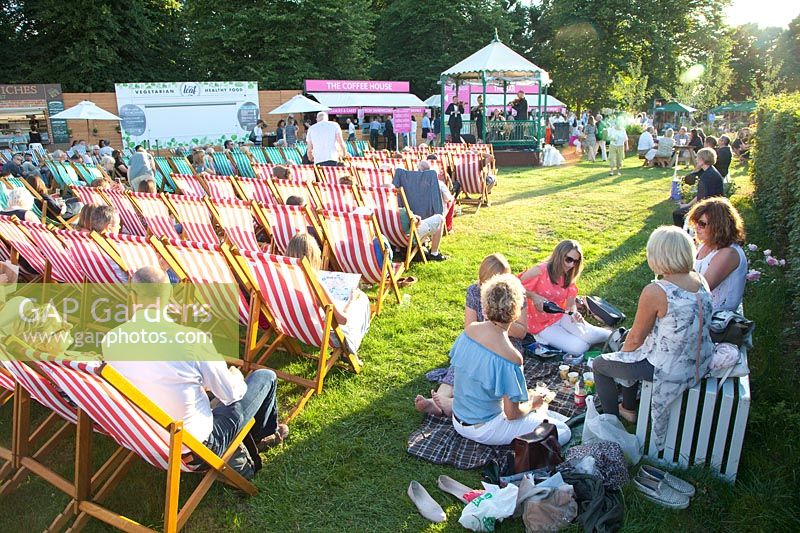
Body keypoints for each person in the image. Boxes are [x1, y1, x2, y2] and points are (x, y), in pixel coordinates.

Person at [106, 266, 287, 475]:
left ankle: (251, 440)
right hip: (195, 448)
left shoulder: (112, 339)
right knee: (265, 377)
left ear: (132, 295)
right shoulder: (190, 340)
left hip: (148, 438)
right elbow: (230, 395)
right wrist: (235, 377)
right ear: (169, 295)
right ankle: (261, 437)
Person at [591, 226, 713, 449]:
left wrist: (621, 361)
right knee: (628, 352)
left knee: (601, 364)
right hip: (700, 359)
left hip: (670, 368)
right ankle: (628, 409)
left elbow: (636, 339)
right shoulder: (699, 280)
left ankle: (611, 426)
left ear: (658, 255)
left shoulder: (657, 290)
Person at [450, 274, 572, 446]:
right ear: (516, 312)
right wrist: (532, 403)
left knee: (544, 416)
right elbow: (512, 414)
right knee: (564, 431)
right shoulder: (511, 357)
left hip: (458, 419)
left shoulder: (469, 331)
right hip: (485, 428)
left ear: (485, 306)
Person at [414, 254, 528, 417]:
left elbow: (522, 332)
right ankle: (439, 400)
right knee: (461, 366)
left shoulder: (516, 295)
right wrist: (487, 329)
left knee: (484, 372)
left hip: (505, 342)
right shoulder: (474, 291)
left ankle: (453, 404)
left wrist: (499, 321)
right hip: (479, 338)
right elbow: (469, 326)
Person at [519, 240, 611, 354]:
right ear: (559, 256)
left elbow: (570, 303)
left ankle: (618, 335)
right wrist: (533, 296)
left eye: (576, 262)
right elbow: (514, 285)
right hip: (539, 324)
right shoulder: (540, 270)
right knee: (580, 348)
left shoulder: (568, 274)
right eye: (569, 259)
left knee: (590, 335)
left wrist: (574, 313)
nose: (571, 265)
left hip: (560, 315)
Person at [285, 233, 371, 354]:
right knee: (361, 299)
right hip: (318, 333)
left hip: (291, 328)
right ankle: (350, 348)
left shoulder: (280, 277)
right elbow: (342, 320)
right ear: (314, 255)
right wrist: (352, 300)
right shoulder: (314, 282)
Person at [688, 197, 747, 312]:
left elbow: (701, 289)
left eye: (702, 224)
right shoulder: (704, 245)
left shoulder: (729, 253)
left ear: (718, 226)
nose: (696, 227)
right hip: (699, 311)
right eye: (696, 222)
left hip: (718, 320)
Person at [672, 147, 724, 227]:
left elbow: (702, 199)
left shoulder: (707, 176)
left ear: (702, 160)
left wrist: (691, 208)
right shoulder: (709, 171)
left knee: (677, 214)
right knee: (681, 210)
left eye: (697, 157)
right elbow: (700, 194)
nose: (696, 159)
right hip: (712, 205)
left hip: (711, 208)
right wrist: (688, 205)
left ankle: (684, 236)